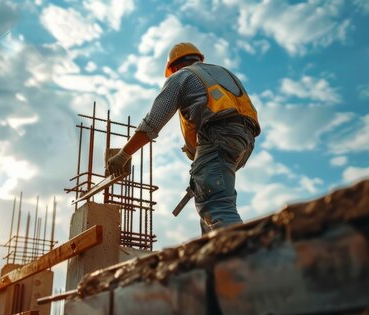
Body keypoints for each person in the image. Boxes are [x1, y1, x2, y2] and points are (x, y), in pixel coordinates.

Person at [106, 42, 260, 234]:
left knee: (216, 206)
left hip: (219, 135)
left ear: (173, 67)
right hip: (245, 139)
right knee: (209, 200)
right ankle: (214, 259)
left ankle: (240, 258)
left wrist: (124, 154)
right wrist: (199, 162)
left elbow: (153, 122)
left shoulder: (182, 76)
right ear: (198, 58)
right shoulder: (221, 74)